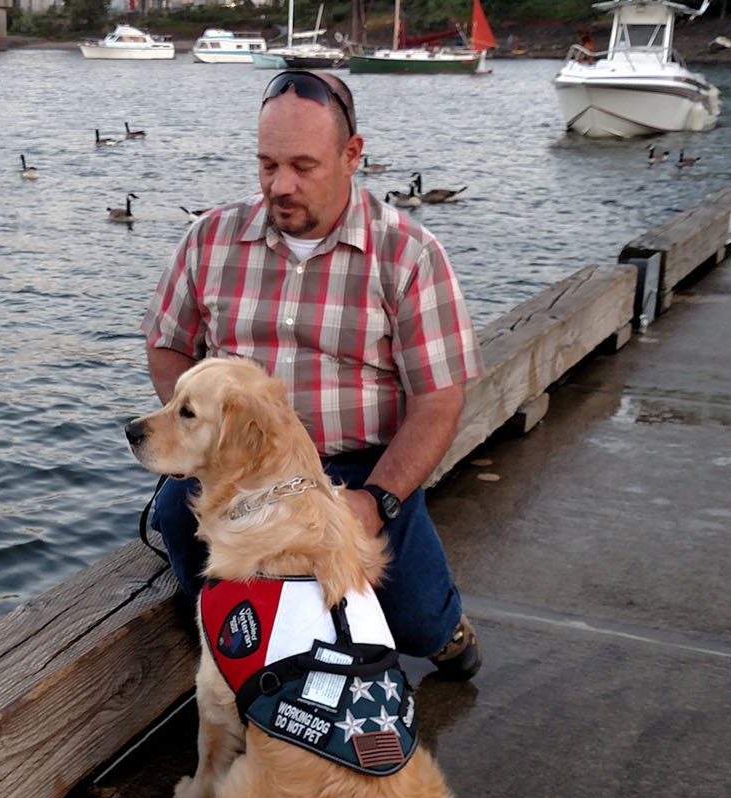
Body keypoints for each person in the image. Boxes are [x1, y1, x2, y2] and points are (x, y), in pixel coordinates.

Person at [140, 69, 484, 680]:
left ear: (353, 156)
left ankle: (447, 628)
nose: (281, 185)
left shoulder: (409, 253)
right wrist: (201, 434)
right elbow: (166, 345)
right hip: (240, 466)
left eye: (304, 165)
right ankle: (241, 665)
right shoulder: (209, 240)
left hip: (356, 468)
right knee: (176, 514)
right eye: (267, 165)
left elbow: (438, 400)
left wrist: (377, 500)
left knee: (415, 623)